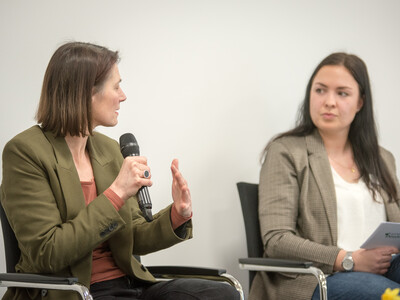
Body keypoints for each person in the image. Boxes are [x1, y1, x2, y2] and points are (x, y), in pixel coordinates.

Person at [0, 42, 240, 300]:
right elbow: (48, 252)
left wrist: (176, 216)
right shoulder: (25, 152)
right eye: (115, 86)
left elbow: (131, 235)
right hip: (74, 292)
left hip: (129, 284)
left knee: (220, 293)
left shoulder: (109, 149)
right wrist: (116, 193)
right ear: (86, 92)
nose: (122, 95)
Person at [251, 52, 400, 300]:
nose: (329, 101)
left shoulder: (382, 158)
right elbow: (277, 239)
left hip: (384, 268)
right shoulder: (286, 151)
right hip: (319, 278)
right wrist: (348, 259)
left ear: (360, 102)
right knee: (391, 294)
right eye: (320, 90)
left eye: (342, 93)